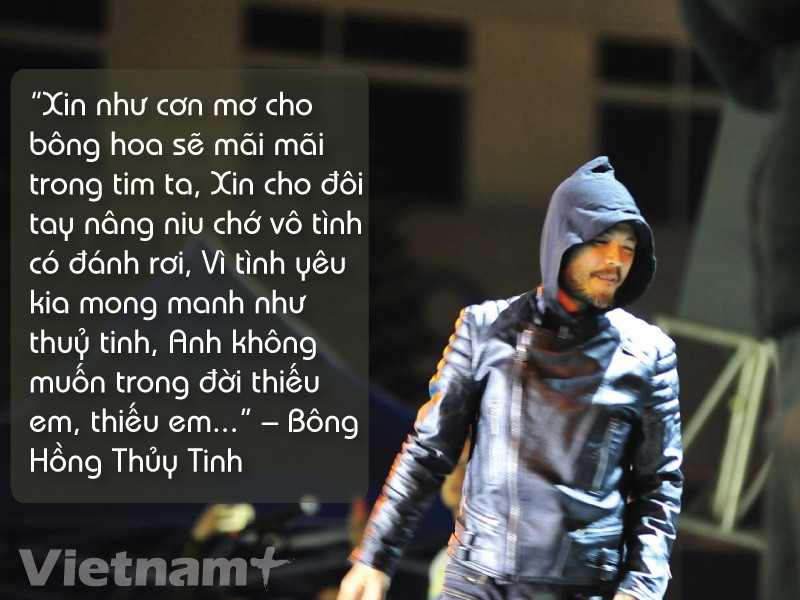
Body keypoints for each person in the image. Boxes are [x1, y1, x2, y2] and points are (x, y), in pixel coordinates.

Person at [338, 157, 683, 600]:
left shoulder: (649, 352)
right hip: (478, 582)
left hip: (584, 588)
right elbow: (428, 452)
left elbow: (659, 486)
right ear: (565, 239)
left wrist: (641, 588)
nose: (616, 260)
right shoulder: (485, 329)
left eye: (628, 247)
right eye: (601, 241)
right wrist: (374, 558)